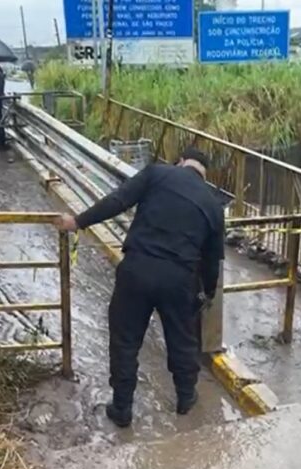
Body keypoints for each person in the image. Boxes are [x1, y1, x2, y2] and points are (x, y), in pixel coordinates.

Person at [53, 148, 225, 428]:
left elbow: (117, 201)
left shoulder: (157, 173)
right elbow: (212, 261)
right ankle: (184, 399)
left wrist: (77, 222)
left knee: (125, 340)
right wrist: (207, 293)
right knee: (182, 340)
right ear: (205, 174)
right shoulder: (213, 204)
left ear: (180, 161)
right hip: (179, 279)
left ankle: (121, 408)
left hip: (137, 269)